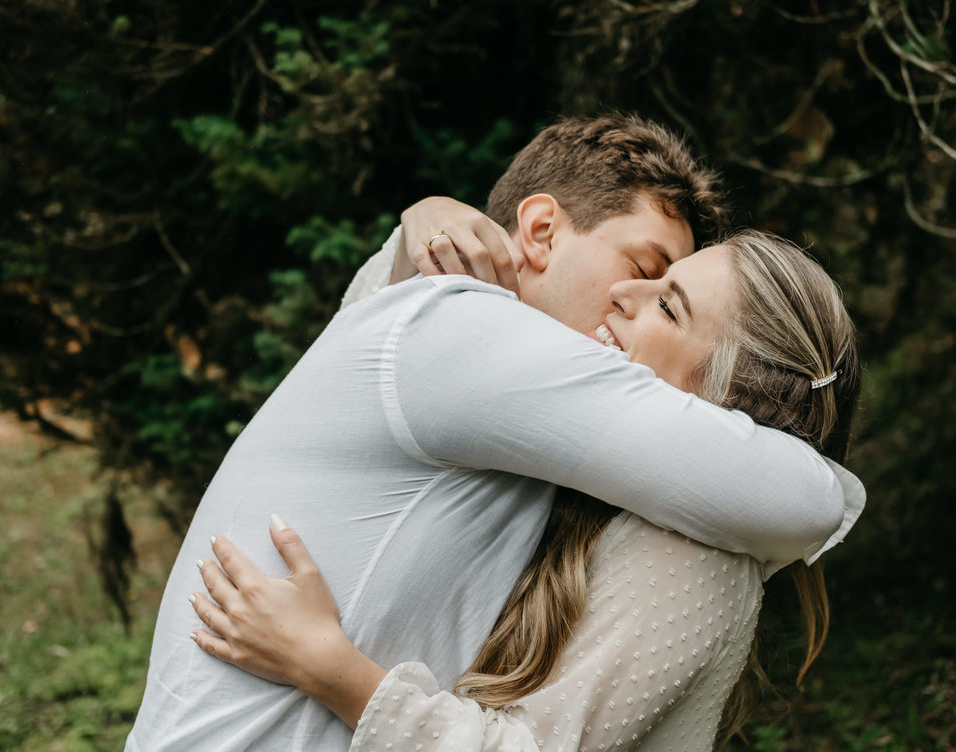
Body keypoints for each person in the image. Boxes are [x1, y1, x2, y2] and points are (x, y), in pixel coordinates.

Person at [125, 115, 862, 751]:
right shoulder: (460, 331)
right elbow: (805, 500)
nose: (629, 297)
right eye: (641, 266)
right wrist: (423, 225)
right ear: (539, 229)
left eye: (669, 303)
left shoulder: (663, 526)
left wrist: (339, 672)